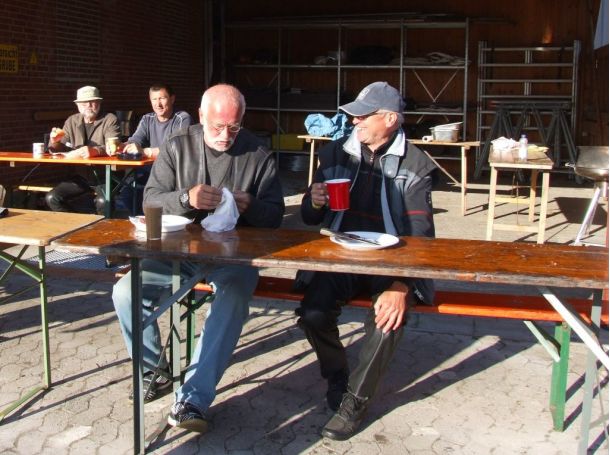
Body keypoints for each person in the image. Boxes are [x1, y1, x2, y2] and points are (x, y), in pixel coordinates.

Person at [112, 83, 284, 434]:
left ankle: (192, 399)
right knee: (125, 293)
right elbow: (151, 200)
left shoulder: (258, 154)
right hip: (179, 252)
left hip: (234, 258)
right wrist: (186, 199)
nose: (226, 136)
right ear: (201, 116)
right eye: (218, 126)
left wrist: (251, 205)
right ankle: (155, 371)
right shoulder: (178, 146)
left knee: (233, 297)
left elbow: (275, 217)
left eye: (234, 127)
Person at [296, 81, 437, 440]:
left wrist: (402, 284)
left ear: (390, 119)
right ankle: (338, 377)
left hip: (391, 259)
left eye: (363, 115)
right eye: (353, 115)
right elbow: (310, 218)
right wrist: (314, 201)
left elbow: (421, 236)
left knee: (388, 320)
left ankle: (354, 402)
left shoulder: (416, 164)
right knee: (312, 313)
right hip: (342, 253)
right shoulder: (335, 154)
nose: (354, 121)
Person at [118, 83, 193, 214]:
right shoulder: (147, 119)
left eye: (162, 98)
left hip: (176, 175)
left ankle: (158, 221)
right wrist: (122, 146)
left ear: (172, 99)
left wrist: (146, 152)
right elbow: (136, 140)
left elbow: (176, 149)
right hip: (150, 173)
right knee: (128, 194)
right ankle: (147, 222)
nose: (158, 104)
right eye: (154, 99)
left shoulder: (182, 118)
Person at [45, 86, 121, 213]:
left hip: (106, 176)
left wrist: (95, 151)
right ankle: (75, 223)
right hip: (81, 177)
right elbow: (57, 150)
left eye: (92, 102)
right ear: (78, 105)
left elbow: (115, 146)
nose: (88, 106)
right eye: (84, 103)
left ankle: (102, 226)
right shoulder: (72, 121)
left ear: (99, 103)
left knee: (104, 202)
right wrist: (55, 141)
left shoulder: (110, 119)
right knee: (52, 198)